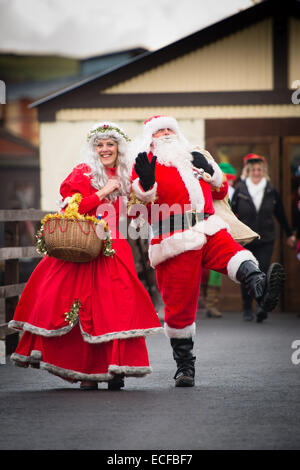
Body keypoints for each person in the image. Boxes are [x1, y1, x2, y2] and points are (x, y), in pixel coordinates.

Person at [129, 115, 285, 388]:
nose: (165, 133)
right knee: (179, 307)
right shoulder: (144, 161)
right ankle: (185, 366)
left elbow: (222, 189)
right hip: (174, 239)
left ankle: (261, 290)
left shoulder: (195, 155)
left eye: (169, 128)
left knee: (236, 255)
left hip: (208, 227)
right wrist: (145, 183)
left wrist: (212, 174)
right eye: (159, 130)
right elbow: (137, 207)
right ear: (151, 136)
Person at [8, 122, 162, 390]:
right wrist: (103, 191)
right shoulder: (84, 172)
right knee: (78, 305)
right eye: (100, 145)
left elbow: (141, 207)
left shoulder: (127, 173)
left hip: (115, 247)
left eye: (110, 144)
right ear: (94, 149)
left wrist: (146, 186)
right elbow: (72, 209)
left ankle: (116, 368)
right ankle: (85, 371)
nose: (105, 149)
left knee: (117, 306)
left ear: (118, 147)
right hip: (84, 246)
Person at [231, 153, 296, 322]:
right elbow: (231, 214)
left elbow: (280, 214)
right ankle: (247, 307)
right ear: (248, 171)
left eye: (259, 169)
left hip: (265, 238)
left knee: (263, 270)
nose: (256, 172)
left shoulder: (271, 190)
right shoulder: (241, 189)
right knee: (246, 271)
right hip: (245, 238)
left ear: (263, 171)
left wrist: (289, 234)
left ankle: (262, 305)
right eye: (253, 169)